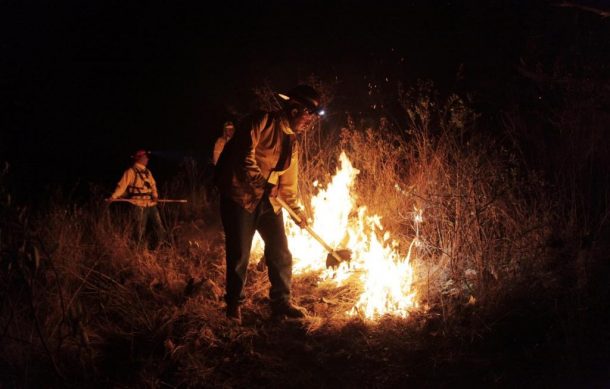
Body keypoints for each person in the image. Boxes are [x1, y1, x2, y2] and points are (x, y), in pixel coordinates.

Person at [215, 85, 325, 322]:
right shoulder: (261, 121)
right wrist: (263, 182)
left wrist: (297, 213)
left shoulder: (292, 143)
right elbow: (243, 156)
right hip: (240, 198)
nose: (310, 122)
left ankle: (281, 303)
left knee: (280, 251)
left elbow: (288, 185)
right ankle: (234, 304)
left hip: (268, 202)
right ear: (295, 110)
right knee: (239, 254)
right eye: (309, 115)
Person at [109, 149, 168, 248]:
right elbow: (121, 186)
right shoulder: (130, 172)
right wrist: (113, 197)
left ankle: (162, 246)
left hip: (151, 204)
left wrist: (155, 195)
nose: (147, 160)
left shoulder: (148, 172)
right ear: (139, 159)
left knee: (159, 227)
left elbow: (153, 185)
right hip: (138, 204)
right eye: (145, 158)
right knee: (140, 230)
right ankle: (139, 251)